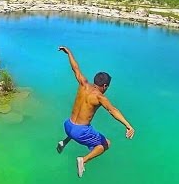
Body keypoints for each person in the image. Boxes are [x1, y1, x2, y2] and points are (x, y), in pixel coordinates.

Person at [56, 46, 135, 177]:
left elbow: (75, 68)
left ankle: (63, 142)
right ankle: (83, 160)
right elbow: (113, 110)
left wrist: (69, 52)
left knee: (86, 126)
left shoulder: (83, 83)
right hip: (79, 132)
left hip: (68, 125)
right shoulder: (100, 97)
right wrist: (128, 125)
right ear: (105, 86)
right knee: (106, 143)